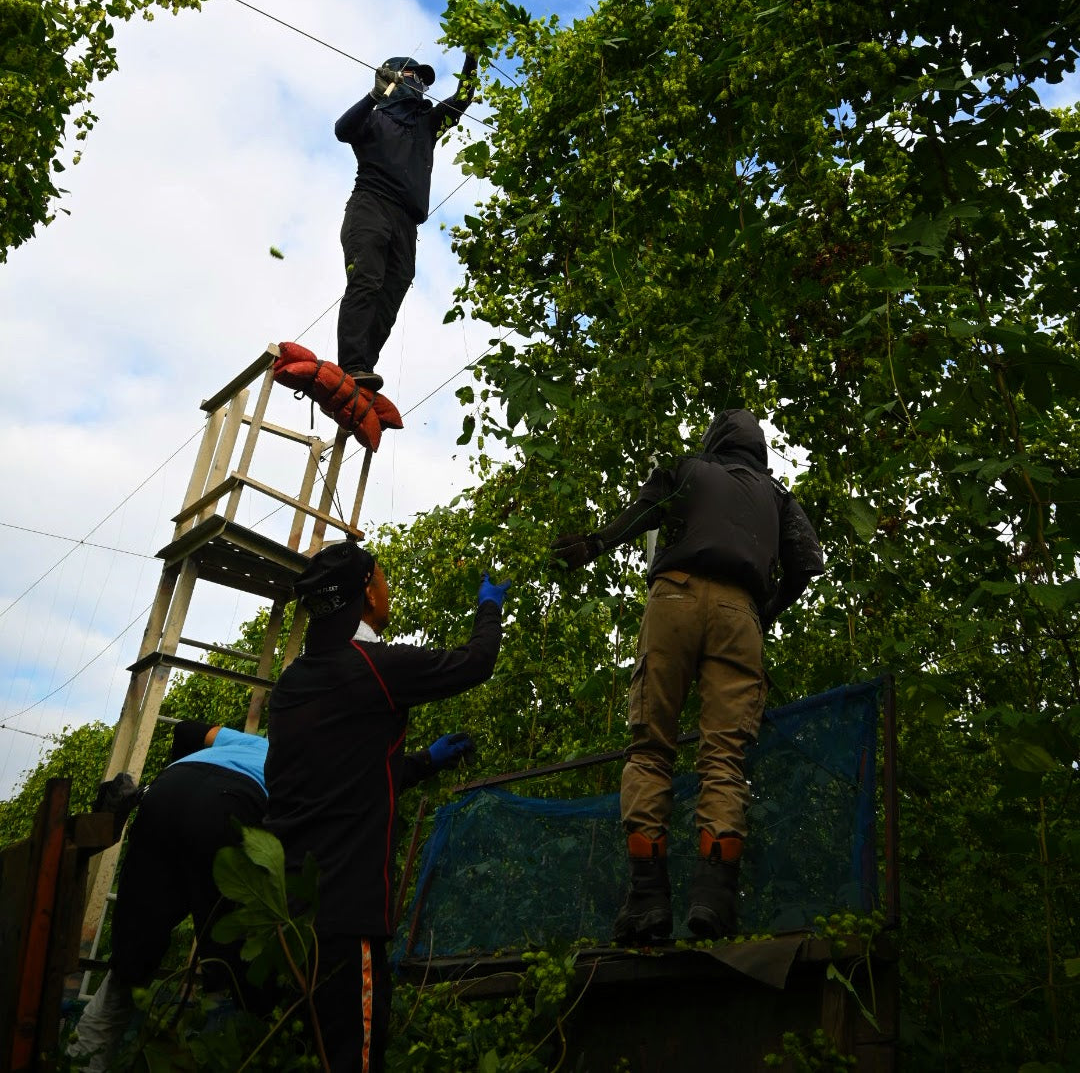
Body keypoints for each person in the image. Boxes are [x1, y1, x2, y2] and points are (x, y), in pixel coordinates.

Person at [553, 408, 824, 944]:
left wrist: (594, 545)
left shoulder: (687, 468)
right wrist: (761, 614)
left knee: (652, 747)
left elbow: (645, 511)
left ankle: (649, 900)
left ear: (715, 439)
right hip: (740, 612)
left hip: (674, 595)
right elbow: (807, 560)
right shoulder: (778, 496)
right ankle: (714, 902)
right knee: (725, 757)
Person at [265, 539, 508, 1073]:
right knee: (356, 1057)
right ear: (368, 597)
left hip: (286, 913)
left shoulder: (291, 685)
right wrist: (489, 607)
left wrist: (425, 761)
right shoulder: (375, 667)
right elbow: (476, 662)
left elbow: (340, 775)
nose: (387, 588)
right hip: (348, 915)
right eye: (382, 578)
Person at [68, 721, 270, 1071]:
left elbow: (188, 730)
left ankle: (78, 1063)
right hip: (231, 807)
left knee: (129, 967)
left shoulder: (249, 741)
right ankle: (218, 1051)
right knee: (231, 975)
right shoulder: (310, 764)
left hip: (167, 792)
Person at [334, 53, 478, 388]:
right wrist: (374, 96)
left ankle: (363, 368)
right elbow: (342, 130)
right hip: (370, 206)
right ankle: (351, 363)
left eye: (426, 82)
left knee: (392, 290)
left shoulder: (426, 125)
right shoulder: (374, 119)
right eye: (416, 77)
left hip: (406, 222)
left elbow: (463, 98)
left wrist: (472, 56)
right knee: (366, 279)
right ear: (395, 77)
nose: (423, 86)